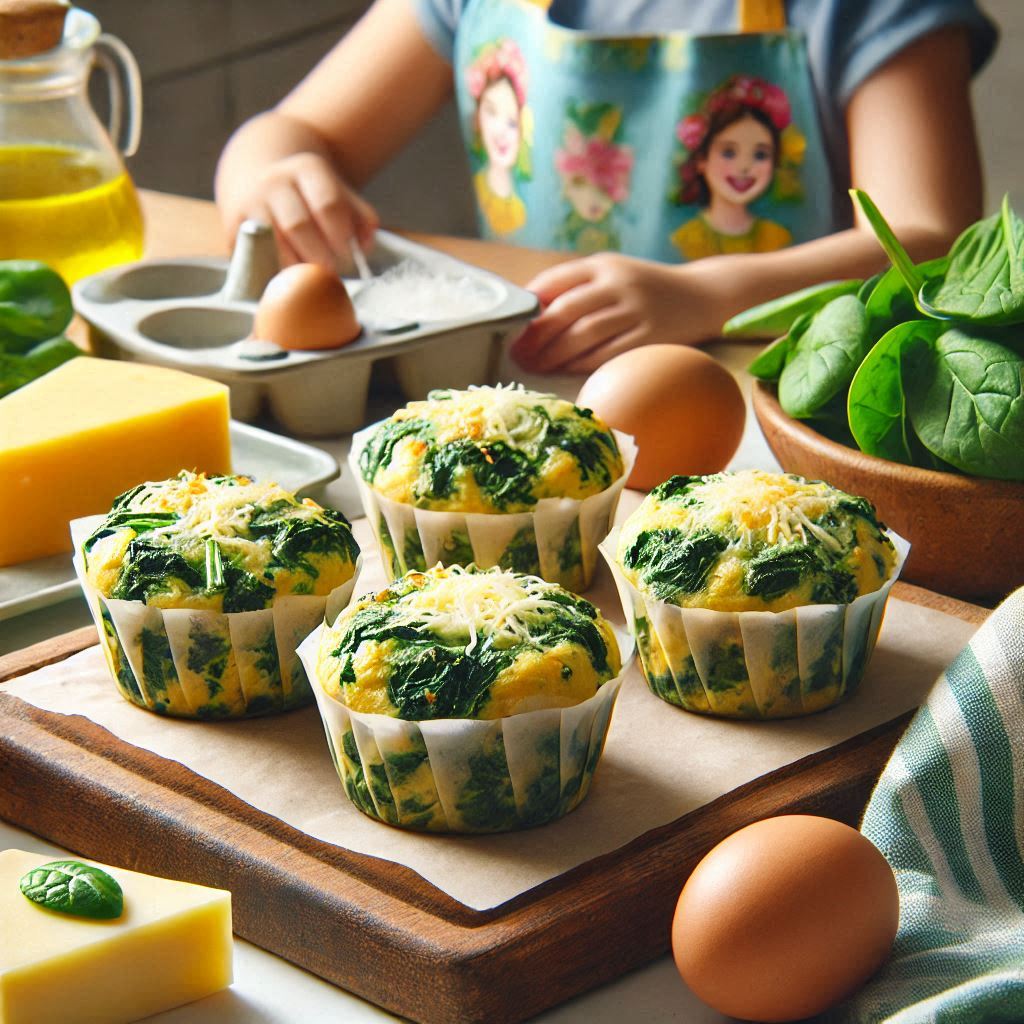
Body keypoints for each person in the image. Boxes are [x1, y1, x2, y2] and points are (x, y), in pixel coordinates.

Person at [215, 0, 997, 374]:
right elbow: (291, 135)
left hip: (759, 399)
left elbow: (933, 240)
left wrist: (707, 295)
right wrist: (267, 171)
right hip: (535, 380)